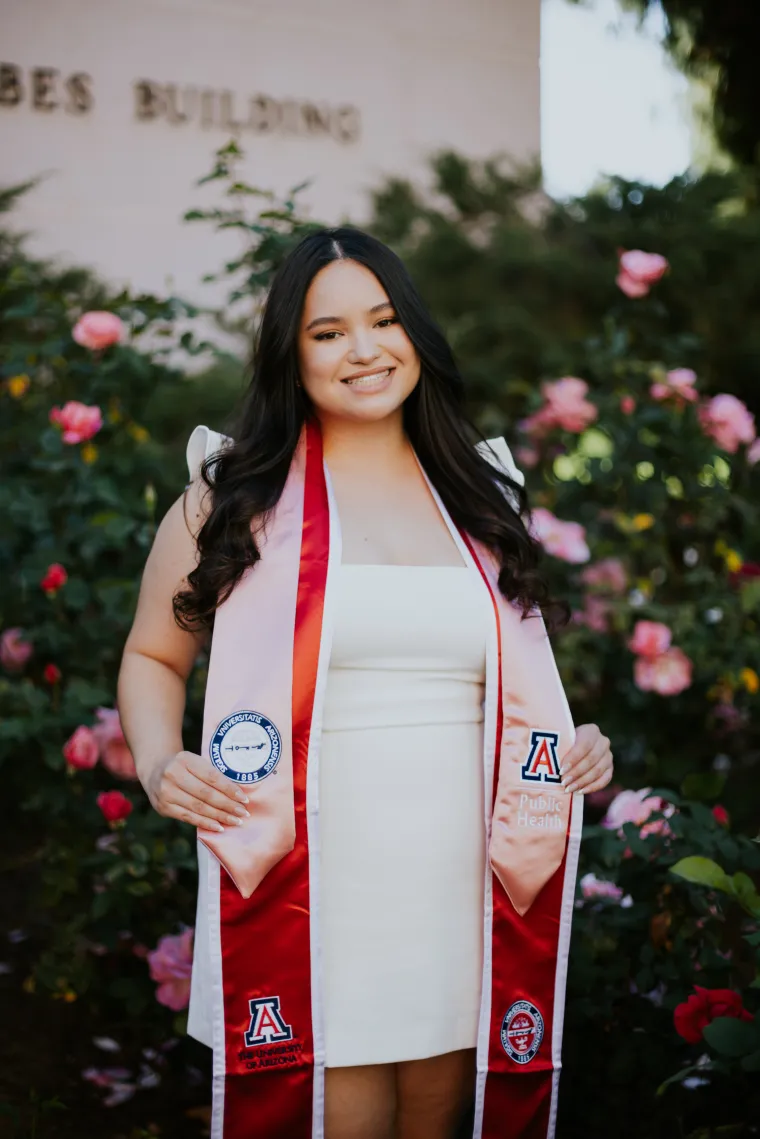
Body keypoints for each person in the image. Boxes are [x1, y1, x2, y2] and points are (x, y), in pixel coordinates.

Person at [117, 227, 614, 1139]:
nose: (364, 350)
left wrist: (574, 745)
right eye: (328, 331)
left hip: (460, 882)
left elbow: (512, 683)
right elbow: (155, 654)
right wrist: (158, 762)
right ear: (289, 354)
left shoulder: (483, 494)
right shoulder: (233, 499)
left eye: (383, 320)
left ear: (415, 330)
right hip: (309, 882)